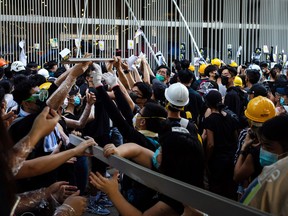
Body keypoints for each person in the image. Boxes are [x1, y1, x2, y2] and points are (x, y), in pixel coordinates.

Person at [89, 126, 204, 216]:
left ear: (172, 161)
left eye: (162, 150)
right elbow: (136, 150)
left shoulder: (176, 199)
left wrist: (113, 192)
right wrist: (118, 151)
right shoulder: (164, 166)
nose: (157, 151)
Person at [241, 115, 288, 215]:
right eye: (262, 145)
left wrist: (243, 150)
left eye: (268, 146)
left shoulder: (269, 178)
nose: (263, 150)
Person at [233, 96, 276, 200]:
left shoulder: (255, 152)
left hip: (256, 195)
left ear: (250, 123)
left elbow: (237, 176)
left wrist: (244, 148)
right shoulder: (280, 141)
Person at [202, 90, 238, 200]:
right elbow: (235, 137)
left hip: (217, 160)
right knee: (229, 188)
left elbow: (210, 144)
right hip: (231, 158)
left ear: (208, 103)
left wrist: (207, 159)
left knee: (217, 190)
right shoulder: (230, 118)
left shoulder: (210, 120)